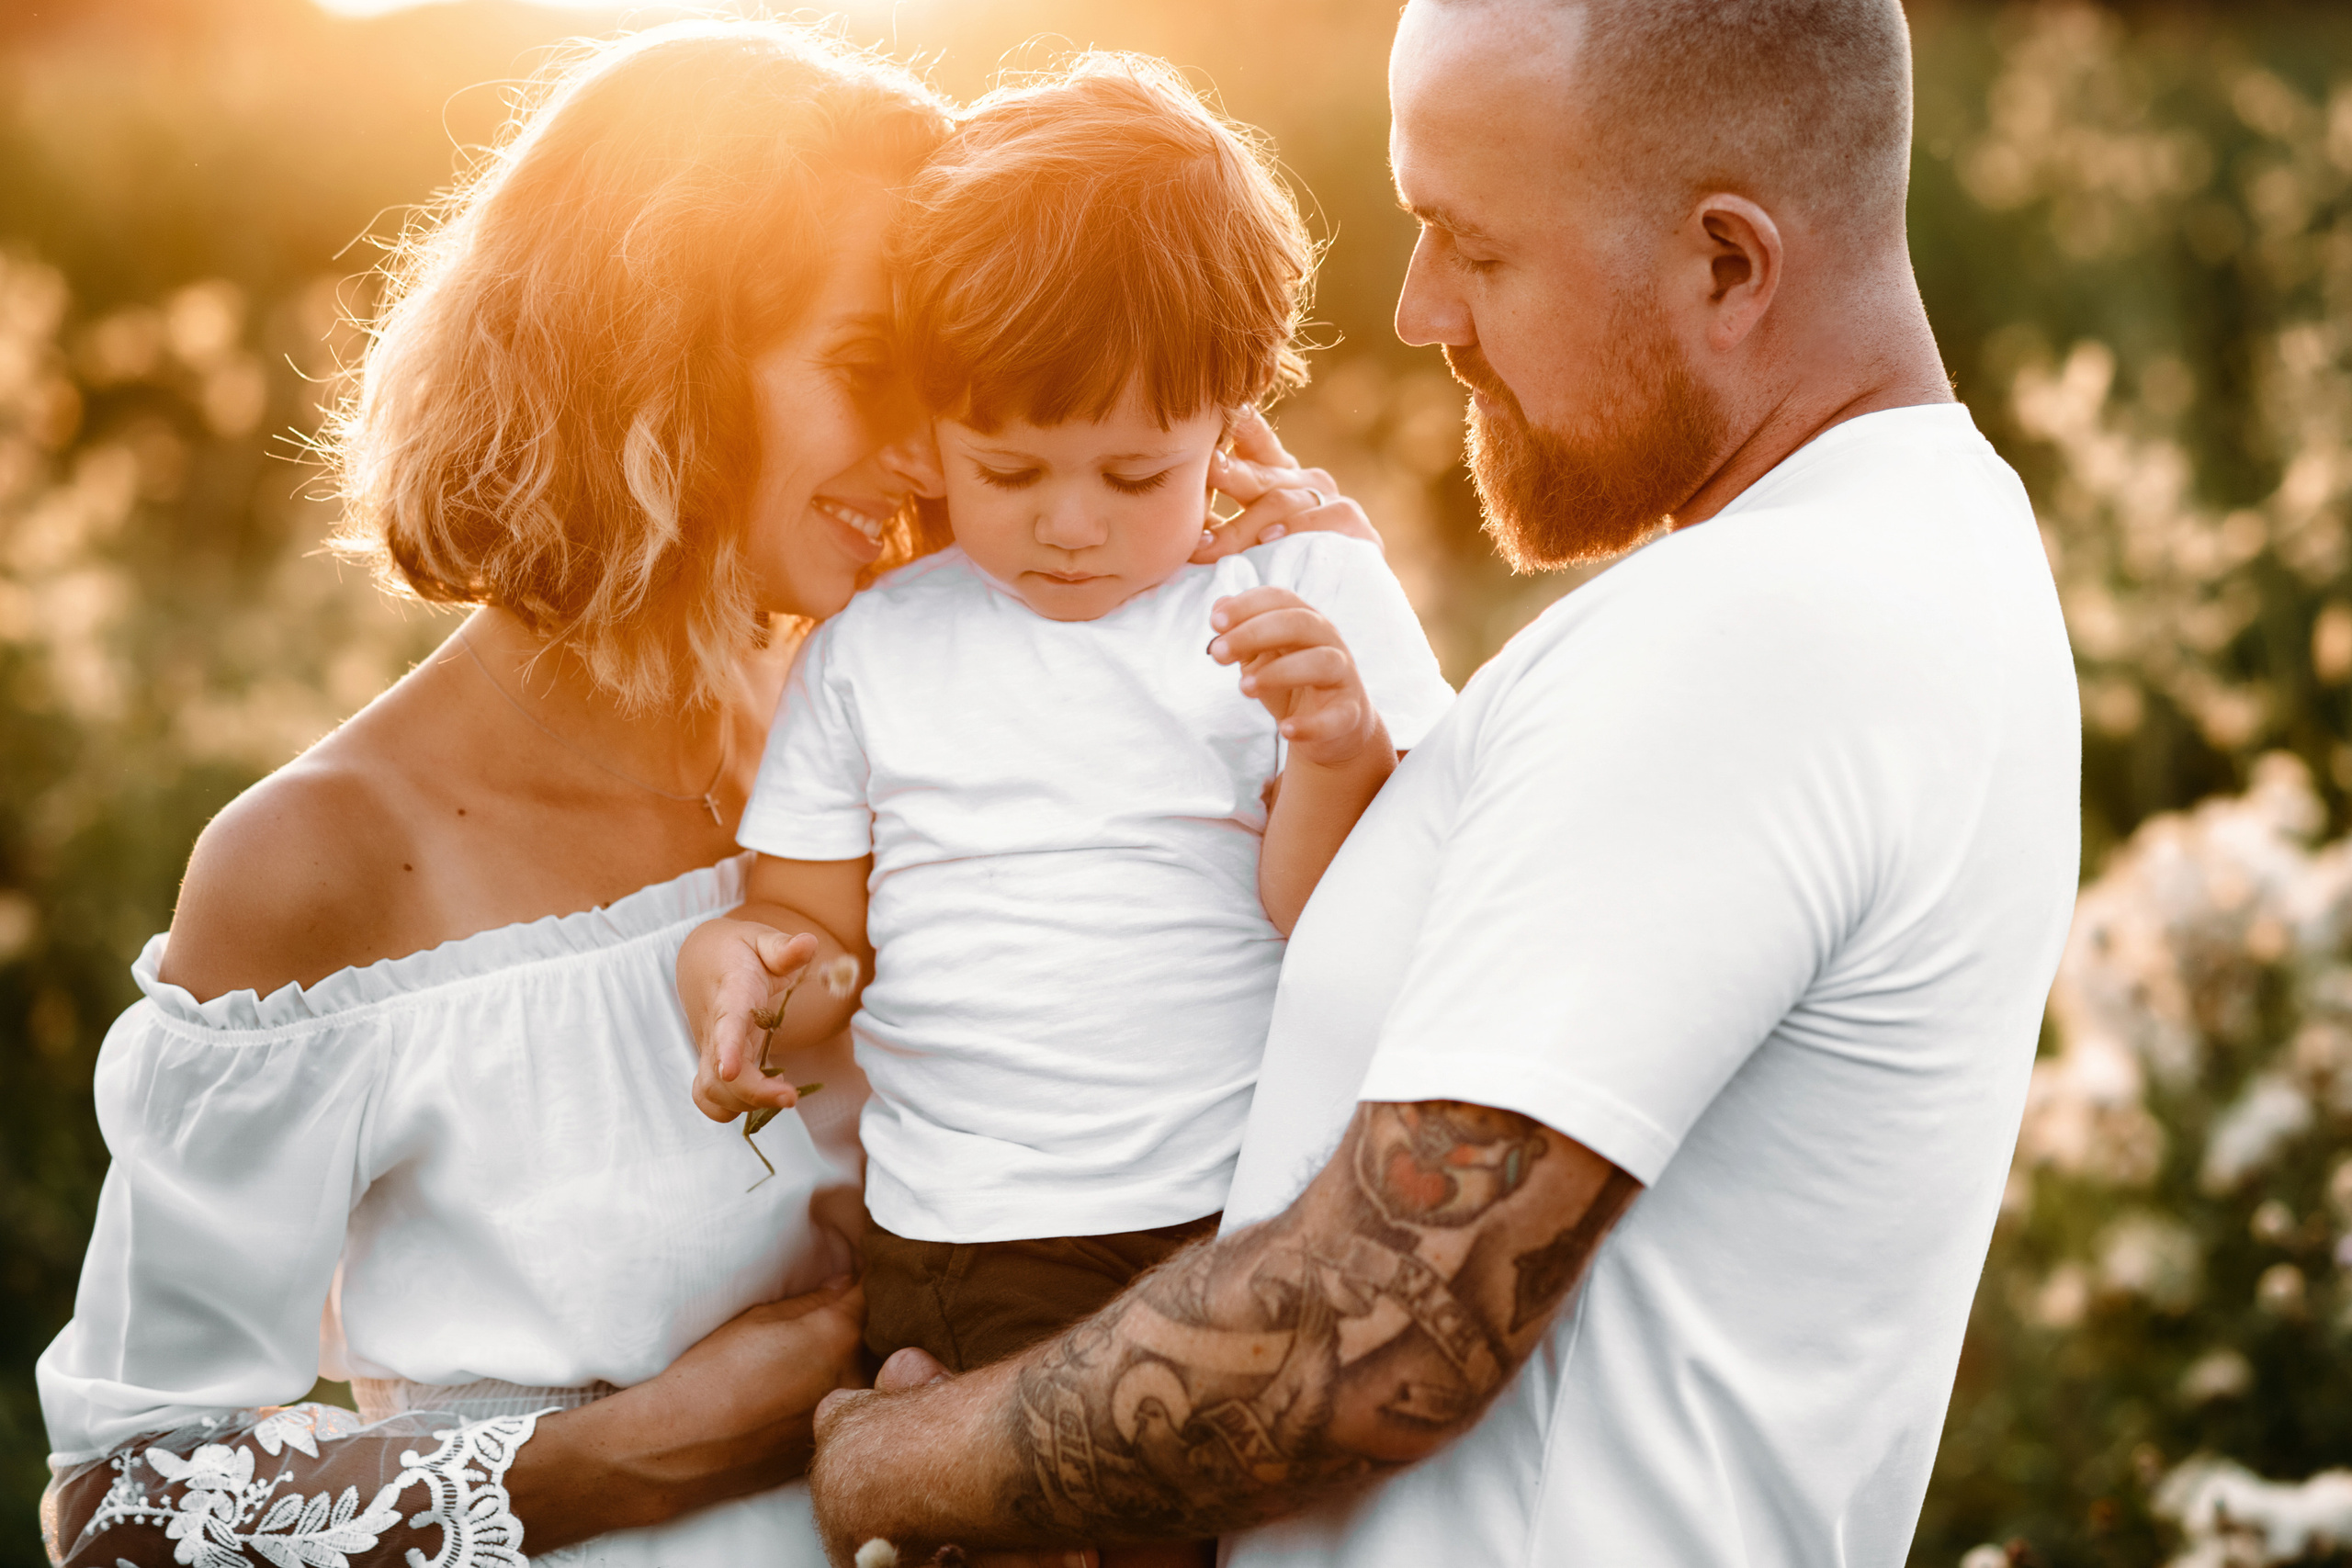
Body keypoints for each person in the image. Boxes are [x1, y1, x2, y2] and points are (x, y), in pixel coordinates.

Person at [803, 1, 2083, 1565]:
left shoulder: (1750, 636)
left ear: (1730, 266)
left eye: (1473, 247)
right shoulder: (1917, 555)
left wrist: (891, 1460)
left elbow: (1377, 1334)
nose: (1418, 313)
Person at [38, 21, 1015, 1568]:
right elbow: (127, 1508)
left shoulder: (899, 728)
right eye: (859, 369)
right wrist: (631, 1457)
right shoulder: (325, 858)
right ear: (659, 362)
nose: (927, 452)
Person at [678, 55, 1453, 1423]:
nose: (1072, 525)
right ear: (934, 428)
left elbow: (1337, 924)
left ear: (1233, 407)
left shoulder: (1305, 603)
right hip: (971, 1233)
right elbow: (811, 930)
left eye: (1137, 473)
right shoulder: (875, 649)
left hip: (1232, 1213)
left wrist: (1338, 750)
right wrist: (747, 965)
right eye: (1011, 470)